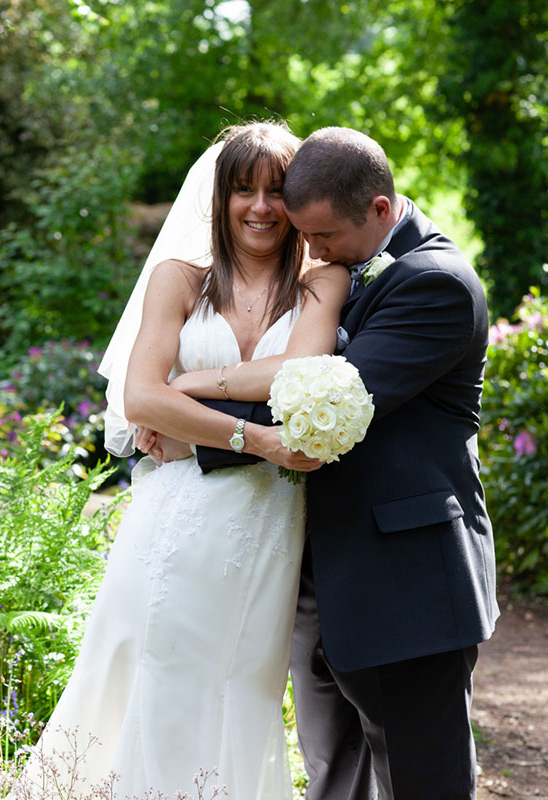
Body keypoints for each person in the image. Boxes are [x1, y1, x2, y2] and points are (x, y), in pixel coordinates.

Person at [10, 122, 349, 800]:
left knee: (238, 685)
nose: (259, 207)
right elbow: (139, 396)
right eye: (243, 190)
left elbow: (301, 370)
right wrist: (257, 440)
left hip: (266, 526)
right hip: (172, 518)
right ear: (218, 198)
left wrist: (183, 393)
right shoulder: (178, 280)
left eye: (276, 191)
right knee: (150, 669)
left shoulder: (322, 283)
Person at [191, 127, 498, 799]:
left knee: (424, 784)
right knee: (336, 779)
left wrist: (185, 424)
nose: (311, 251)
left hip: (407, 587)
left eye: (323, 237)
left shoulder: (435, 284)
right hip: (323, 575)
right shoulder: (342, 263)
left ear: (381, 211)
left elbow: (327, 407)